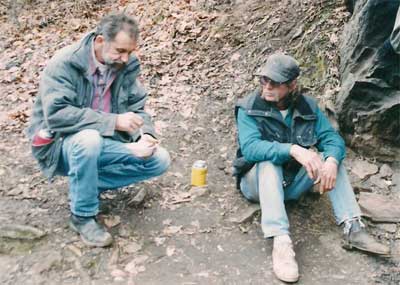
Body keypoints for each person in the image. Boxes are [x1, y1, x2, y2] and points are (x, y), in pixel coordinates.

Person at [233, 53, 390, 283]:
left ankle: (353, 227)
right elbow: (251, 149)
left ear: (292, 85)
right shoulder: (248, 108)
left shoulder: (308, 107)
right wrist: (293, 149)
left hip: (293, 184)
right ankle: (281, 242)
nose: (266, 86)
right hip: (257, 184)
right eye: (264, 80)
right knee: (268, 160)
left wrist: (331, 161)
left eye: (274, 82)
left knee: (331, 159)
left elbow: (332, 139)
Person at [27, 13, 170, 247]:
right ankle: (82, 216)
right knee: (88, 140)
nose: (125, 58)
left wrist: (145, 135)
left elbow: (137, 107)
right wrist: (113, 122)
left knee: (160, 160)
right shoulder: (65, 63)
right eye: (120, 51)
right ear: (100, 40)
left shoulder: (126, 65)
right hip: (60, 145)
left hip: (106, 142)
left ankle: (86, 184)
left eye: (130, 52)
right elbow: (57, 115)